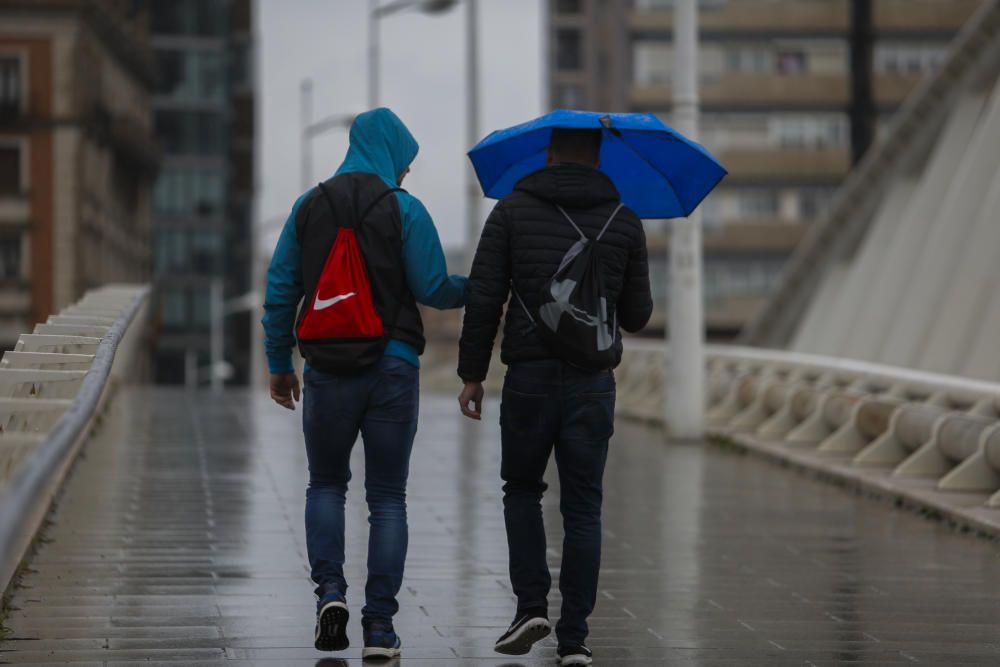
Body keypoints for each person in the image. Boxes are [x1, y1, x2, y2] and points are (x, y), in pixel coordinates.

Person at [262, 108, 466, 660]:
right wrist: (478, 287)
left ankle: (331, 594)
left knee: (326, 485)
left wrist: (279, 363)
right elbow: (433, 287)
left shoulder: (309, 207)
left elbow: (280, 289)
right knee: (388, 499)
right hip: (393, 367)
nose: (405, 174)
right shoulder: (404, 209)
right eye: (405, 163)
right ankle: (379, 628)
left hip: (328, 369)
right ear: (391, 153)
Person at [456, 127, 652, 666]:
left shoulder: (512, 211)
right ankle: (575, 641)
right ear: (597, 157)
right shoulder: (625, 220)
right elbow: (638, 316)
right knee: (583, 507)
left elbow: (483, 297)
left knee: (521, 489)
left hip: (529, 379)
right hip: (593, 381)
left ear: (546, 154)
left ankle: (530, 607)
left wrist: (472, 374)